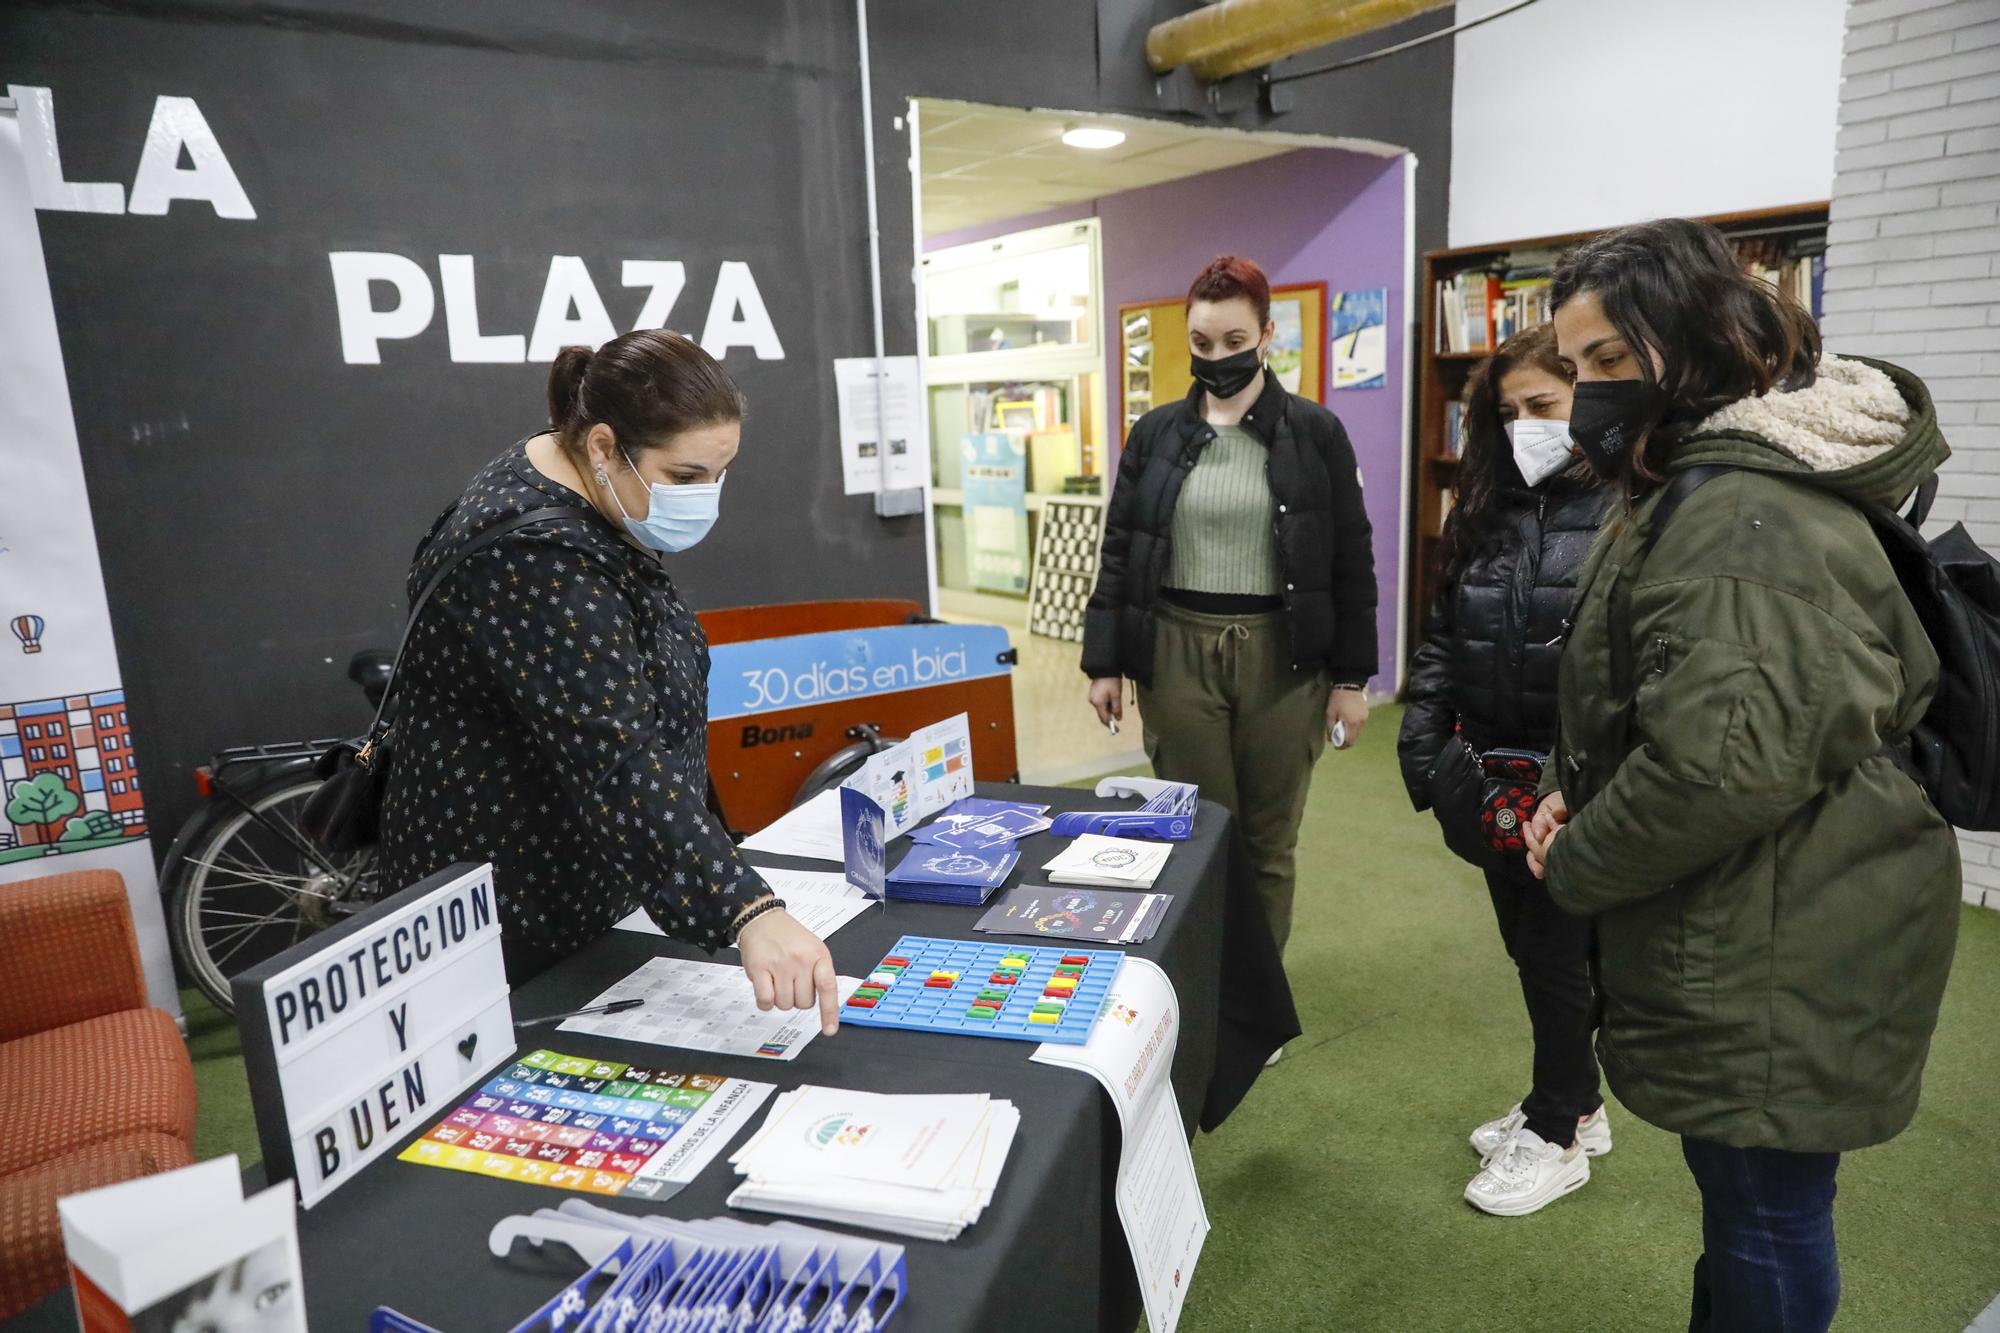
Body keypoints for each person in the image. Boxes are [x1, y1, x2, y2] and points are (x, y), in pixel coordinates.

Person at [1523, 218, 1960, 1331]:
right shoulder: (1710, 482)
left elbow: (1717, 766)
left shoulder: (1734, 511)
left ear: (1696, 338)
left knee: (1763, 1212)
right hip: (1780, 899)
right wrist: (1590, 784)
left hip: (1780, 925)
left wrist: (1576, 853)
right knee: (1750, 1203)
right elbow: (1701, 708)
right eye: (1575, 369)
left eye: (1611, 363)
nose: (1588, 393)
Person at [379, 329, 840, 1034]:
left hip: (590, 882)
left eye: (723, 471)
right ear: (602, 447)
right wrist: (746, 908)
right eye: (686, 477)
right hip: (512, 915)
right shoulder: (534, 557)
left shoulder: (581, 483)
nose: (709, 497)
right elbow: (615, 754)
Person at [1082, 254, 1377, 996]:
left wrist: (1351, 679)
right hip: (1176, 651)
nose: (1218, 358)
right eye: (1203, 343)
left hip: (1285, 657)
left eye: (1234, 340)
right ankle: (1203, 982)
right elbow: (1122, 550)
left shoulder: (1316, 434)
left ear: (1268, 333)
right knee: (1198, 832)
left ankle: (1257, 993)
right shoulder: (1154, 435)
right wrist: (1104, 662)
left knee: (1267, 839)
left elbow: (1350, 558)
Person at [1397, 325, 1615, 1216]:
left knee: (1561, 955)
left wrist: (1578, 783)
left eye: (1544, 406)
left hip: (1572, 785)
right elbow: (1444, 636)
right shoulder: (1484, 505)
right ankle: (1581, 1102)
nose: (1526, 424)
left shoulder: (1628, 509)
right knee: (1529, 946)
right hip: (1489, 773)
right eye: (1509, 410)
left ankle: (1559, 1130)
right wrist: (1422, 744)